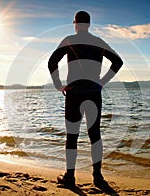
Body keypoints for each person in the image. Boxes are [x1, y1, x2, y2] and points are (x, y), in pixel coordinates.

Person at [48, 11, 123, 188]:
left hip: (74, 93)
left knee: (72, 135)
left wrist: (59, 85)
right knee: (95, 135)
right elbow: (118, 62)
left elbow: (52, 62)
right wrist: (102, 82)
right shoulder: (98, 42)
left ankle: (70, 177)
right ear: (89, 24)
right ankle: (97, 177)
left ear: (75, 23)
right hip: (93, 92)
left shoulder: (69, 40)